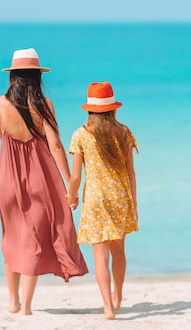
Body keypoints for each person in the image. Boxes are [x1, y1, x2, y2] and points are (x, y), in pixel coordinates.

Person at [0, 48, 88, 315]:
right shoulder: (45, 105)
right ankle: (28, 307)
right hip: (39, 178)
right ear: (37, 77)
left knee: (11, 238)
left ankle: (13, 302)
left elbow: (1, 135)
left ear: (12, 76)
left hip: (7, 178)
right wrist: (70, 184)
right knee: (33, 240)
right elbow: (56, 146)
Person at [66, 81, 139, 320]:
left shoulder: (81, 135)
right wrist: (134, 204)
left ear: (89, 110)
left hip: (96, 200)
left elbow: (76, 175)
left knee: (101, 256)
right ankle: (118, 295)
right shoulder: (124, 132)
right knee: (119, 251)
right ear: (113, 108)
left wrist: (71, 195)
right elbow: (131, 172)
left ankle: (108, 307)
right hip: (119, 197)